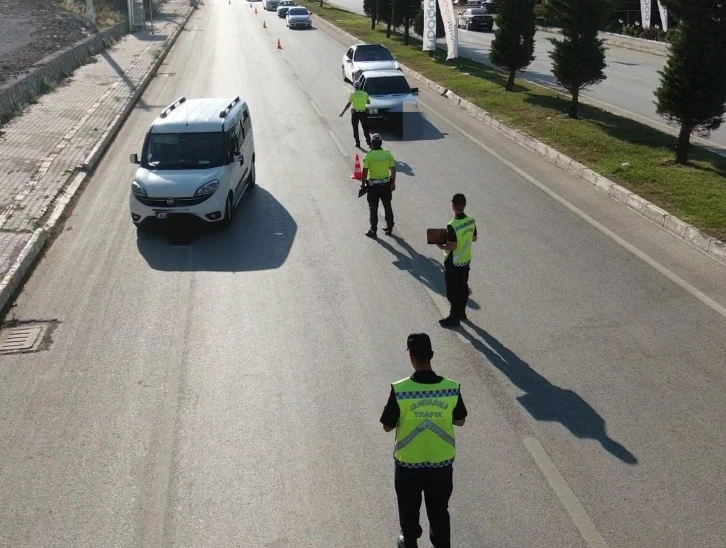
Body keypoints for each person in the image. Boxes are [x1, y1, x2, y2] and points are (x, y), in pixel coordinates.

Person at [380, 333, 467, 548]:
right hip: (441, 463)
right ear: (432, 355)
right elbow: (460, 420)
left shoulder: (400, 390)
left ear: (411, 357)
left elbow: (387, 425)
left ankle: (409, 540)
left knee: (408, 510)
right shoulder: (450, 387)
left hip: (408, 464)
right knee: (439, 511)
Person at [436, 194, 477, 327]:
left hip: (453, 261)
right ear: (464, 205)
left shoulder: (452, 225)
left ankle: (453, 318)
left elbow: (452, 245)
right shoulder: (471, 220)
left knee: (452, 290)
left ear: (453, 206)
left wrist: (441, 246)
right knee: (463, 286)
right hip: (465, 259)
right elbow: (474, 238)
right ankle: (462, 312)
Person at [361, 133, 396, 239]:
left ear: (372, 143)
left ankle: (373, 230)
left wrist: (363, 184)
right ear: (381, 143)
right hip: (385, 185)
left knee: (373, 208)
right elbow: (393, 169)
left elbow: (365, 171)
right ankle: (389, 228)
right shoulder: (387, 154)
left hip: (373, 187)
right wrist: (393, 183)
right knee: (387, 206)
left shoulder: (369, 156)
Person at [338, 80, 372, 148]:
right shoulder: (364, 93)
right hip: (363, 113)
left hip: (355, 114)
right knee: (365, 128)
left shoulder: (353, 94)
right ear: (360, 86)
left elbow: (349, 104)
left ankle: (357, 143)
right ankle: (369, 143)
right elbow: (368, 102)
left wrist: (343, 112)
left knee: (355, 128)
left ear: (354, 87)